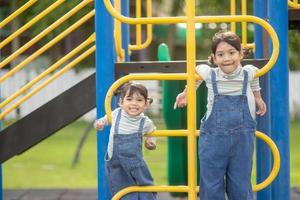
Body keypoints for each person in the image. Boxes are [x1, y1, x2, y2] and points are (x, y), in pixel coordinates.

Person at [174, 30, 266, 200]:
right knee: (211, 184)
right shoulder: (210, 74)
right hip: (213, 142)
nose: (227, 58)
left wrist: (258, 97)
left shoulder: (249, 72)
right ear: (214, 58)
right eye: (221, 54)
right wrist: (187, 92)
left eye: (232, 53)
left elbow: (255, 78)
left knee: (240, 184)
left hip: (242, 142)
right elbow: (196, 73)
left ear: (240, 54)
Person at [94, 82, 157, 200]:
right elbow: (102, 122)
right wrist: (100, 124)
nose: (134, 103)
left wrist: (150, 142)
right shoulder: (116, 114)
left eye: (139, 100)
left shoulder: (145, 122)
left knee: (146, 189)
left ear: (146, 104)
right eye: (129, 99)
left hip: (136, 164)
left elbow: (153, 131)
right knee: (123, 193)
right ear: (121, 103)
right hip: (116, 164)